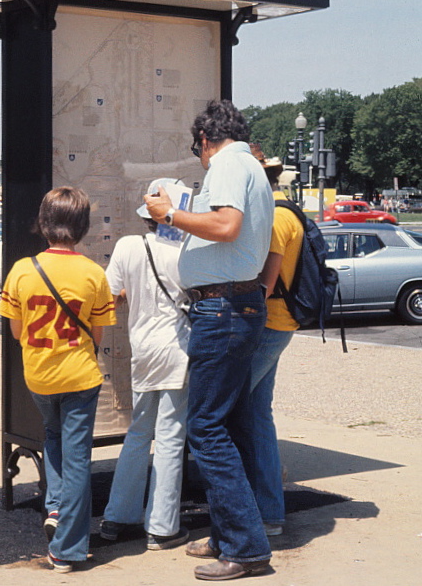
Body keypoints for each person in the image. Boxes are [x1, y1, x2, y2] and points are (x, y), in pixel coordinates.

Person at [145, 100, 275, 581]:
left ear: (204, 140)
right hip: (240, 303)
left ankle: (245, 547)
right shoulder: (252, 166)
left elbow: (225, 226)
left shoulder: (224, 164)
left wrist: (171, 214)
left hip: (220, 308)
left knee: (206, 428)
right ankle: (230, 535)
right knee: (230, 424)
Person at [0, 186, 116, 573]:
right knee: (78, 456)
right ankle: (68, 549)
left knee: (52, 437)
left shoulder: (21, 270)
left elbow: (16, 332)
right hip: (80, 376)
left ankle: (55, 506)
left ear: (44, 223)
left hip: (40, 377)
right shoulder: (94, 274)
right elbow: (98, 335)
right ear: (82, 227)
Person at [100, 178, 190, 551]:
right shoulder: (188, 248)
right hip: (179, 347)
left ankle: (117, 516)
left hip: (142, 348)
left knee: (138, 433)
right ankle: (162, 527)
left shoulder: (127, 245)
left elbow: (110, 295)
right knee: (170, 437)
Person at [245, 156, 304, 538]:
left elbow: (265, 283)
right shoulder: (290, 213)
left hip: (269, 324)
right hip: (281, 322)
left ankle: (258, 510)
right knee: (257, 415)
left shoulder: (276, 220)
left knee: (228, 408)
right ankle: (269, 510)